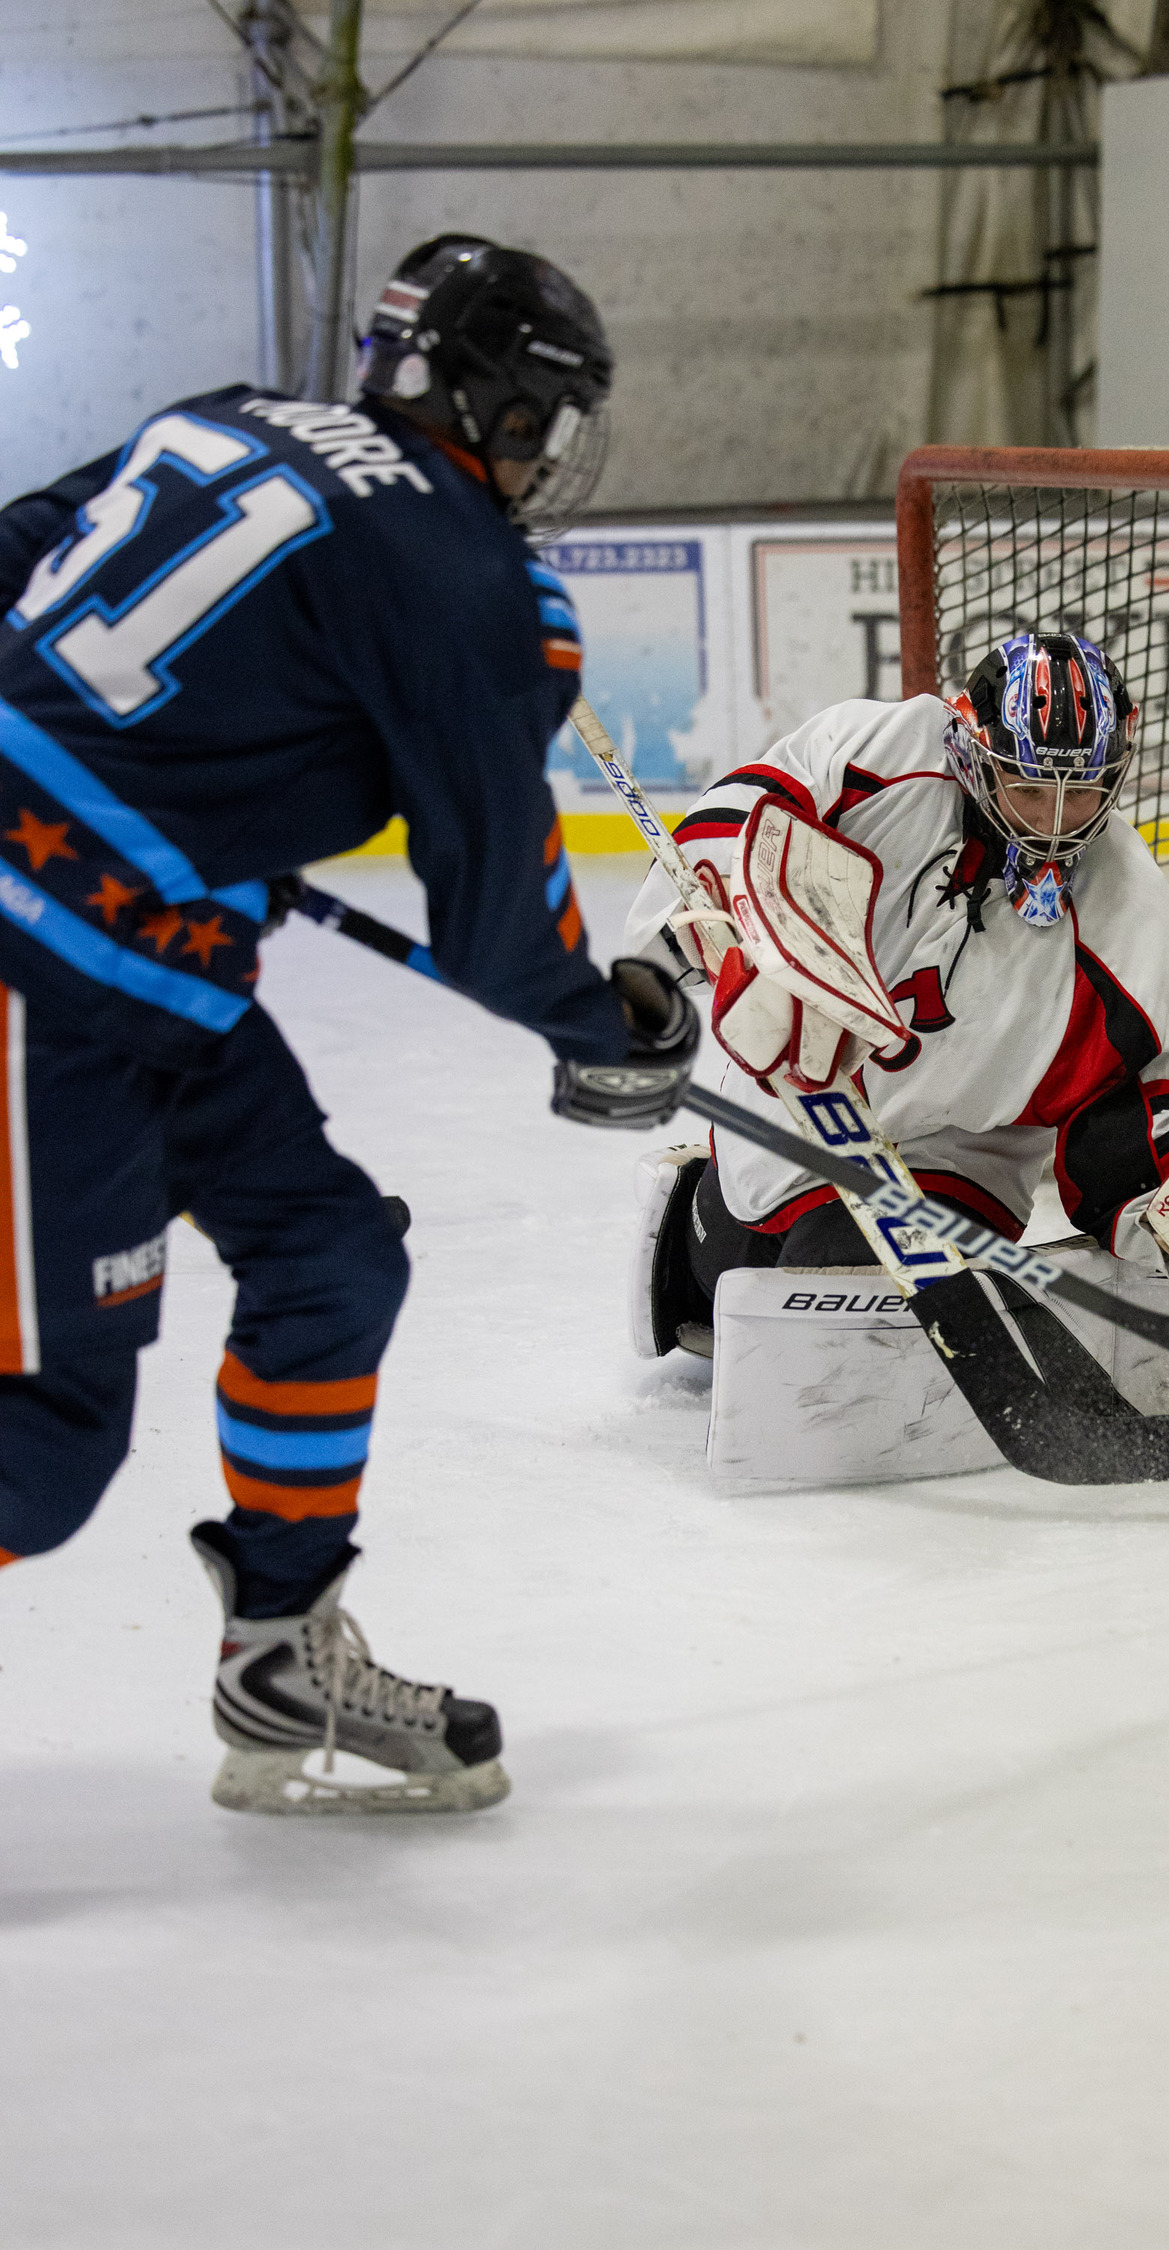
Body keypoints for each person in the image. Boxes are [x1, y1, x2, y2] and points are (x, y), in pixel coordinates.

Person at [0, 233, 695, 1815]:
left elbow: (16, 551)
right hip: (44, 985)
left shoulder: (225, 417)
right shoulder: (467, 572)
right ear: (500, 404)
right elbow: (500, 911)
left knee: (329, 1256)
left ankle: (278, 1650)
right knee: (39, 1447)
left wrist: (155, 796)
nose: (544, 454)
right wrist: (614, 1024)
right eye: (542, 415)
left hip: (144, 968)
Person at [624, 632, 1169, 1400]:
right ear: (973, 749)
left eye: (1082, 789)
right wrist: (735, 931)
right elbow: (744, 817)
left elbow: (1165, 1103)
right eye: (1028, 784)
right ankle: (698, 1203)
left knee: (836, 1283)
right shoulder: (881, 755)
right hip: (794, 1099)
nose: (1053, 821)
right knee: (732, 1278)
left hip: (956, 1153)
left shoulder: (1130, 916)